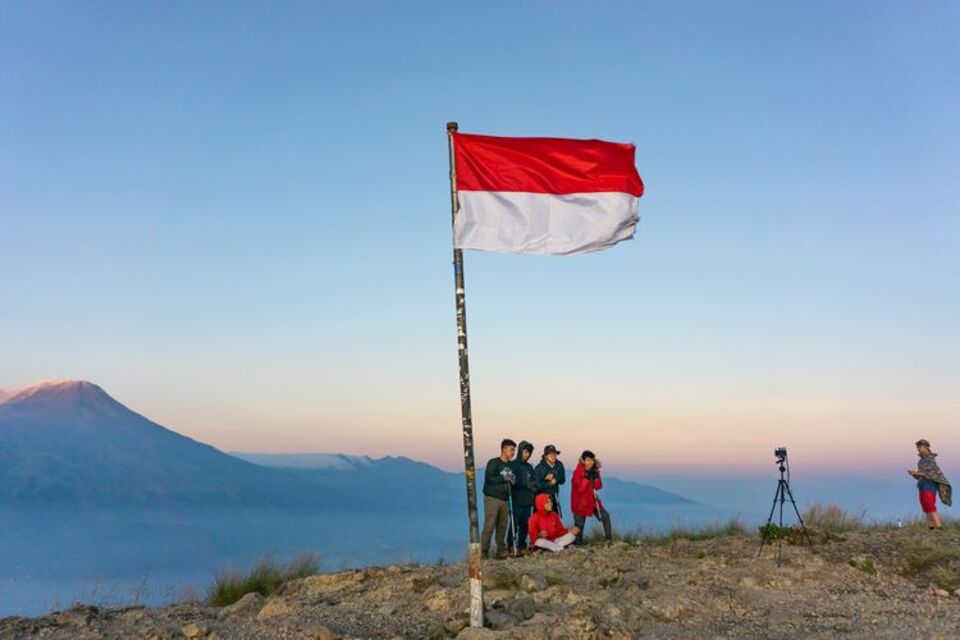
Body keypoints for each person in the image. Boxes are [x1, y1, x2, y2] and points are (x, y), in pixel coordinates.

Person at [481, 438, 516, 558]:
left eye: (514, 450)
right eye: (511, 450)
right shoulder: (494, 463)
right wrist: (504, 478)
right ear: (503, 449)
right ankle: (484, 551)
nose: (513, 453)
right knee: (489, 525)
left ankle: (501, 550)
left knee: (502, 526)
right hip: (492, 498)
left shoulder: (511, 465)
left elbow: (513, 480)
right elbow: (489, 479)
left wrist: (512, 480)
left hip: (505, 499)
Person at [908, 439, 952, 530]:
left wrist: (917, 473)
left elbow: (932, 473)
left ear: (926, 447)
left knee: (930, 504)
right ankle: (931, 527)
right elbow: (921, 474)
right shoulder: (920, 461)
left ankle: (939, 527)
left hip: (930, 484)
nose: (919, 449)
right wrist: (914, 474)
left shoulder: (930, 458)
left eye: (920, 447)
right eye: (918, 447)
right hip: (922, 484)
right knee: (925, 505)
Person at [571, 450, 613, 544]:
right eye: (588, 460)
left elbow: (598, 486)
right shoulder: (577, 472)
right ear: (583, 461)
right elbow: (580, 489)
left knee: (605, 516)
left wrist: (597, 476)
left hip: (592, 500)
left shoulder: (594, 471)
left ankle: (608, 539)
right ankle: (577, 544)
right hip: (579, 502)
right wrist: (586, 478)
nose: (590, 462)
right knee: (579, 525)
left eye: (592, 460)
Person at [507, 441, 539, 552]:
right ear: (520, 451)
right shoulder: (513, 465)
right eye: (525, 452)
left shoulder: (529, 467)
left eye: (529, 453)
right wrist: (525, 484)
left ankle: (521, 545)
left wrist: (533, 488)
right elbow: (512, 481)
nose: (527, 455)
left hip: (527, 500)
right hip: (516, 499)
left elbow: (534, 481)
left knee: (525, 525)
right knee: (514, 524)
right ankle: (511, 545)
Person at [534, 444, 566, 518]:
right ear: (545, 456)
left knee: (555, 517)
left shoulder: (559, 465)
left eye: (555, 454)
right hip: (542, 498)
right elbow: (536, 485)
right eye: (551, 454)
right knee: (543, 519)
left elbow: (563, 480)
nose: (553, 456)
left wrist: (556, 479)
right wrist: (547, 481)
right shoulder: (539, 468)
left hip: (554, 496)